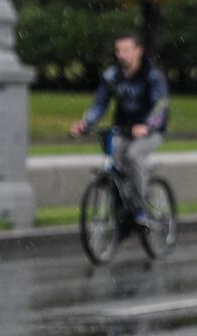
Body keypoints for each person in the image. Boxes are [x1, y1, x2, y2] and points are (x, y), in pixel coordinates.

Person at [70, 33, 170, 223]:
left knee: (133, 155)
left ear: (138, 51)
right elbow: (99, 105)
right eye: (118, 50)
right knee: (116, 163)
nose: (121, 55)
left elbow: (160, 106)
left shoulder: (151, 75)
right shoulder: (112, 76)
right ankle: (121, 217)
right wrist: (85, 124)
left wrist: (147, 126)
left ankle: (140, 210)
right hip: (123, 129)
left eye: (126, 50)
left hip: (150, 132)